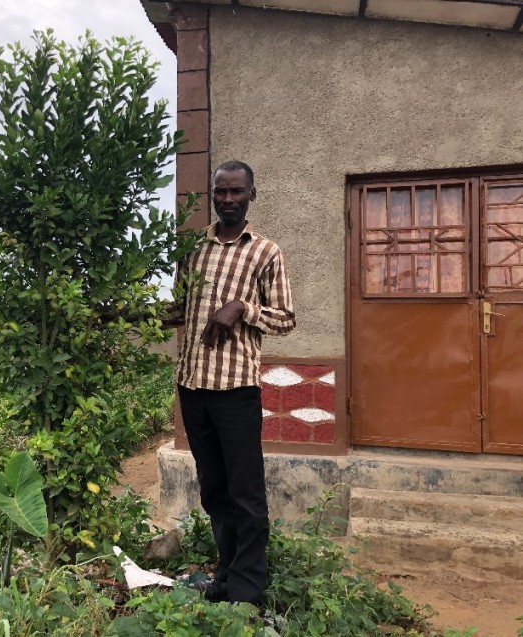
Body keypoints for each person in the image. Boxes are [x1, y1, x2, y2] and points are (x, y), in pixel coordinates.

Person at [175, 160, 296, 605]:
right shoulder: (194, 250)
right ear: (213, 195)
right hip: (192, 386)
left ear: (252, 195)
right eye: (220, 192)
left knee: (245, 492)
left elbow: (285, 319)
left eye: (236, 192)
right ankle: (227, 572)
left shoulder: (266, 252)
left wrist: (241, 308)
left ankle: (247, 592)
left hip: (236, 390)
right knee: (214, 489)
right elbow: (179, 309)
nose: (228, 200)